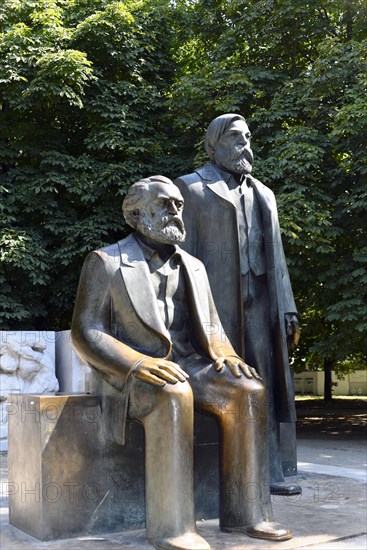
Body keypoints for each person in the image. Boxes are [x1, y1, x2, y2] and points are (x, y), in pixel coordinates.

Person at [72, 175, 292, 550]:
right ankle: (172, 527)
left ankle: (248, 514)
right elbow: (87, 331)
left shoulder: (194, 266)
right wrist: (137, 363)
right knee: (173, 394)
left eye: (179, 204)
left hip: (190, 363)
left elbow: (211, 327)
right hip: (131, 372)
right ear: (136, 214)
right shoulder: (106, 262)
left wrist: (229, 357)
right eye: (165, 205)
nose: (176, 211)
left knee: (248, 391)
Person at [174, 114, 301, 495]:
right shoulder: (191, 189)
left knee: (264, 383)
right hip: (214, 307)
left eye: (248, 138)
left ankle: (270, 470)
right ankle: (218, 475)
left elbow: (277, 257)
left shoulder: (264, 193)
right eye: (235, 138)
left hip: (261, 304)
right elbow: (179, 255)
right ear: (213, 144)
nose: (245, 145)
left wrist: (288, 307)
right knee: (224, 383)